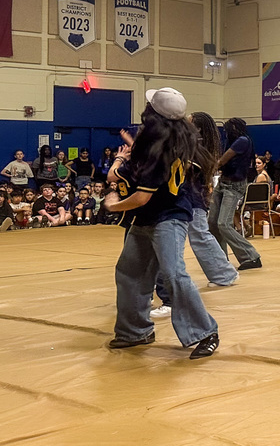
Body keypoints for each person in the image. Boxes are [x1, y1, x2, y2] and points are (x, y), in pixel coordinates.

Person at [104, 87, 219, 360]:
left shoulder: (159, 148)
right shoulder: (171, 138)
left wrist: (112, 205)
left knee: (174, 273)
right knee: (129, 272)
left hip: (168, 217)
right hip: (150, 217)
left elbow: (141, 197)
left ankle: (206, 332)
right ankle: (135, 331)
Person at [151, 111, 240, 320]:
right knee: (200, 235)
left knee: (199, 234)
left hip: (191, 198)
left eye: (189, 122)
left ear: (197, 128)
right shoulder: (199, 145)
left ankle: (224, 273)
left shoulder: (195, 148)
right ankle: (223, 272)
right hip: (192, 197)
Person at [209, 118, 262, 270]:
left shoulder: (242, 141)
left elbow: (222, 161)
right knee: (212, 223)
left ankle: (251, 256)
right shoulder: (234, 141)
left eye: (227, 129)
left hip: (234, 185)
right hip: (223, 183)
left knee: (223, 224)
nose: (226, 132)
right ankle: (221, 260)